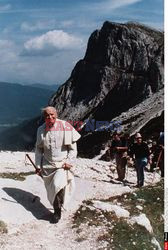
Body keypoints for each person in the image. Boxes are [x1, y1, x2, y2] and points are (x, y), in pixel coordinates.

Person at [35, 106, 81, 223]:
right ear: (44, 117)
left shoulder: (65, 127)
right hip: (47, 165)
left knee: (57, 185)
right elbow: (39, 149)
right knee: (51, 190)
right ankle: (58, 205)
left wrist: (69, 162)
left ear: (56, 114)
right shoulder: (41, 130)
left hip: (62, 164)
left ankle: (57, 211)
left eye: (52, 114)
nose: (50, 117)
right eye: (47, 115)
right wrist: (38, 166)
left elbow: (72, 149)